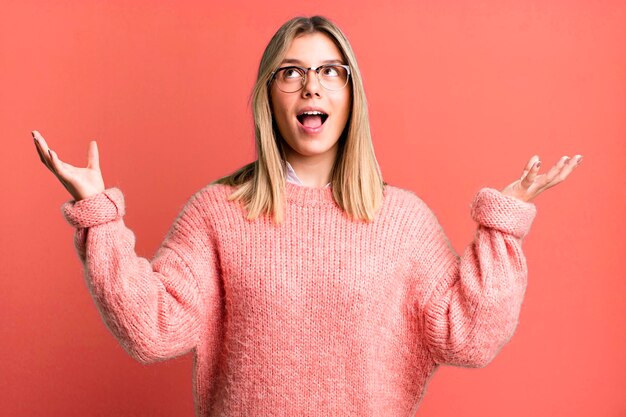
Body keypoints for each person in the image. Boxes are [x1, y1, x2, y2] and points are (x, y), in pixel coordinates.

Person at [32, 15, 582, 417]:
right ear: (268, 96)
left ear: (350, 93)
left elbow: (471, 336)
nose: (310, 85)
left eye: (329, 71)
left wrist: (504, 225)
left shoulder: (402, 222)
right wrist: (98, 217)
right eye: (290, 72)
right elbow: (151, 329)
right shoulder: (218, 213)